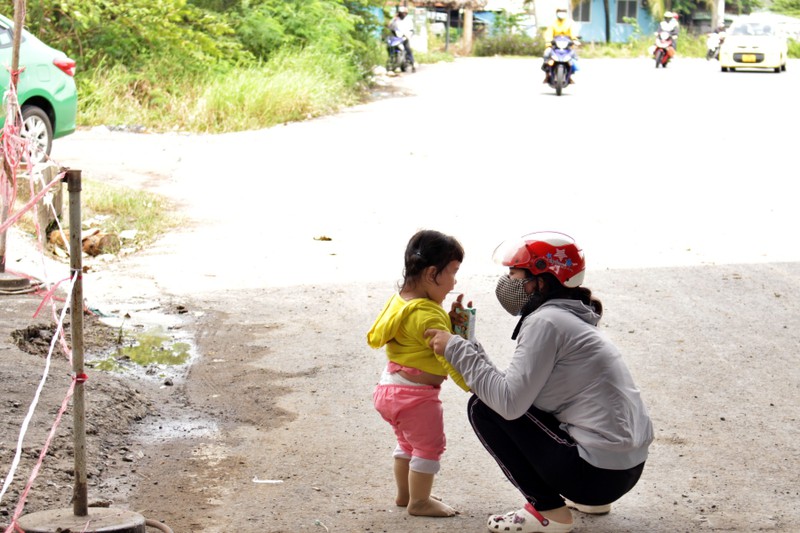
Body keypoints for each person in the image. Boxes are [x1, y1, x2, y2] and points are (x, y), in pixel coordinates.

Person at [425, 231, 654, 533]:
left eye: (514, 273)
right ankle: (590, 501)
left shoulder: (546, 323)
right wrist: (466, 340)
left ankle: (548, 510)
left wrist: (455, 348)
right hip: (621, 472)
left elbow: (505, 403)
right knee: (498, 400)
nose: (507, 282)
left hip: (595, 474)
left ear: (541, 281)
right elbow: (512, 389)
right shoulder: (568, 320)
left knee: (482, 407)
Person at [367, 229, 470, 518]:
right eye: (452, 272)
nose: (454, 282)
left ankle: (406, 494)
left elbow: (418, 332)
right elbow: (449, 356)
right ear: (431, 274)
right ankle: (420, 502)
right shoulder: (430, 314)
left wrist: (451, 326)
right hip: (417, 397)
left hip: (390, 388)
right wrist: (471, 384)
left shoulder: (400, 301)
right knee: (428, 447)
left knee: (406, 444)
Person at [541, 8, 580, 84]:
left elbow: (573, 33)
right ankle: (547, 75)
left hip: (567, 46)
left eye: (563, 12)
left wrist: (575, 40)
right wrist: (548, 43)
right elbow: (548, 34)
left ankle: (570, 76)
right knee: (546, 54)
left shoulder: (570, 23)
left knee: (574, 57)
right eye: (560, 12)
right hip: (555, 45)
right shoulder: (552, 23)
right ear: (557, 13)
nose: (561, 13)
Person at [389, 6, 416, 72]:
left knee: (408, 49)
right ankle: (392, 61)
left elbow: (411, 30)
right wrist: (394, 19)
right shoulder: (396, 20)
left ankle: (413, 64)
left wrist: (408, 35)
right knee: (390, 48)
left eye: (404, 13)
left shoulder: (408, 20)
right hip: (397, 38)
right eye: (401, 13)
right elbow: (390, 27)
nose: (402, 15)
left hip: (405, 37)